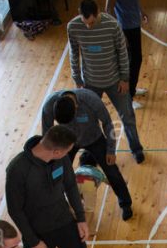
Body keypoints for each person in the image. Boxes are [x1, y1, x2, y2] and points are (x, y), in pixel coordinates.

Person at [5, 125, 111, 248]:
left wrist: (80, 219)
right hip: (37, 232)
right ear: (56, 150)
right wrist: (33, 240)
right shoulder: (17, 170)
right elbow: (15, 209)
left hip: (65, 222)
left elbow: (70, 185)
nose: (68, 154)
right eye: (68, 151)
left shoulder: (60, 159)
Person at [67, 0, 145, 165]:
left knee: (127, 116)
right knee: (89, 120)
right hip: (90, 83)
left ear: (98, 13)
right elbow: (73, 53)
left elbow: (123, 53)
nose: (88, 26)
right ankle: (91, 154)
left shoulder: (112, 25)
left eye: (92, 22)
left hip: (114, 81)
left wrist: (125, 79)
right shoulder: (73, 27)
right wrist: (77, 79)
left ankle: (136, 149)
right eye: (85, 22)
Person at [41, 88, 133, 221]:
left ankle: (126, 204)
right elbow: (46, 134)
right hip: (66, 142)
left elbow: (107, 122)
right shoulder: (49, 105)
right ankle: (62, 209)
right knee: (58, 175)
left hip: (94, 138)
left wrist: (111, 150)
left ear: (76, 106)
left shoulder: (90, 99)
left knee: (111, 170)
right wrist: (50, 157)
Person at [106, 0, 148, 110]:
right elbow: (108, 8)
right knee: (133, 60)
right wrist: (119, 32)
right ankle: (128, 98)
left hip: (134, 21)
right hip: (125, 26)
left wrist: (141, 10)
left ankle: (132, 88)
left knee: (135, 59)